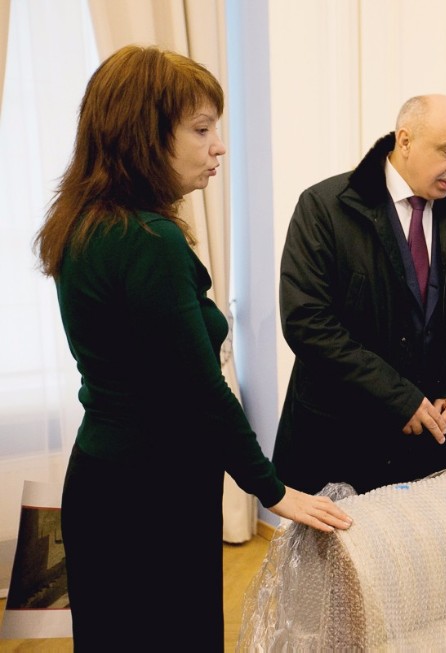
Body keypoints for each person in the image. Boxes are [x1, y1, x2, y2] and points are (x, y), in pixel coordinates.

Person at [33, 45, 352, 651]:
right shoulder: (148, 240)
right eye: (201, 129)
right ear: (144, 135)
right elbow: (200, 390)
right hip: (153, 494)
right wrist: (274, 489)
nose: (219, 146)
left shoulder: (86, 221)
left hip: (104, 477)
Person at [272, 94, 446, 495]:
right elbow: (308, 324)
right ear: (405, 141)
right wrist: (398, 399)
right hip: (338, 439)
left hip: (425, 445)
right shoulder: (324, 208)